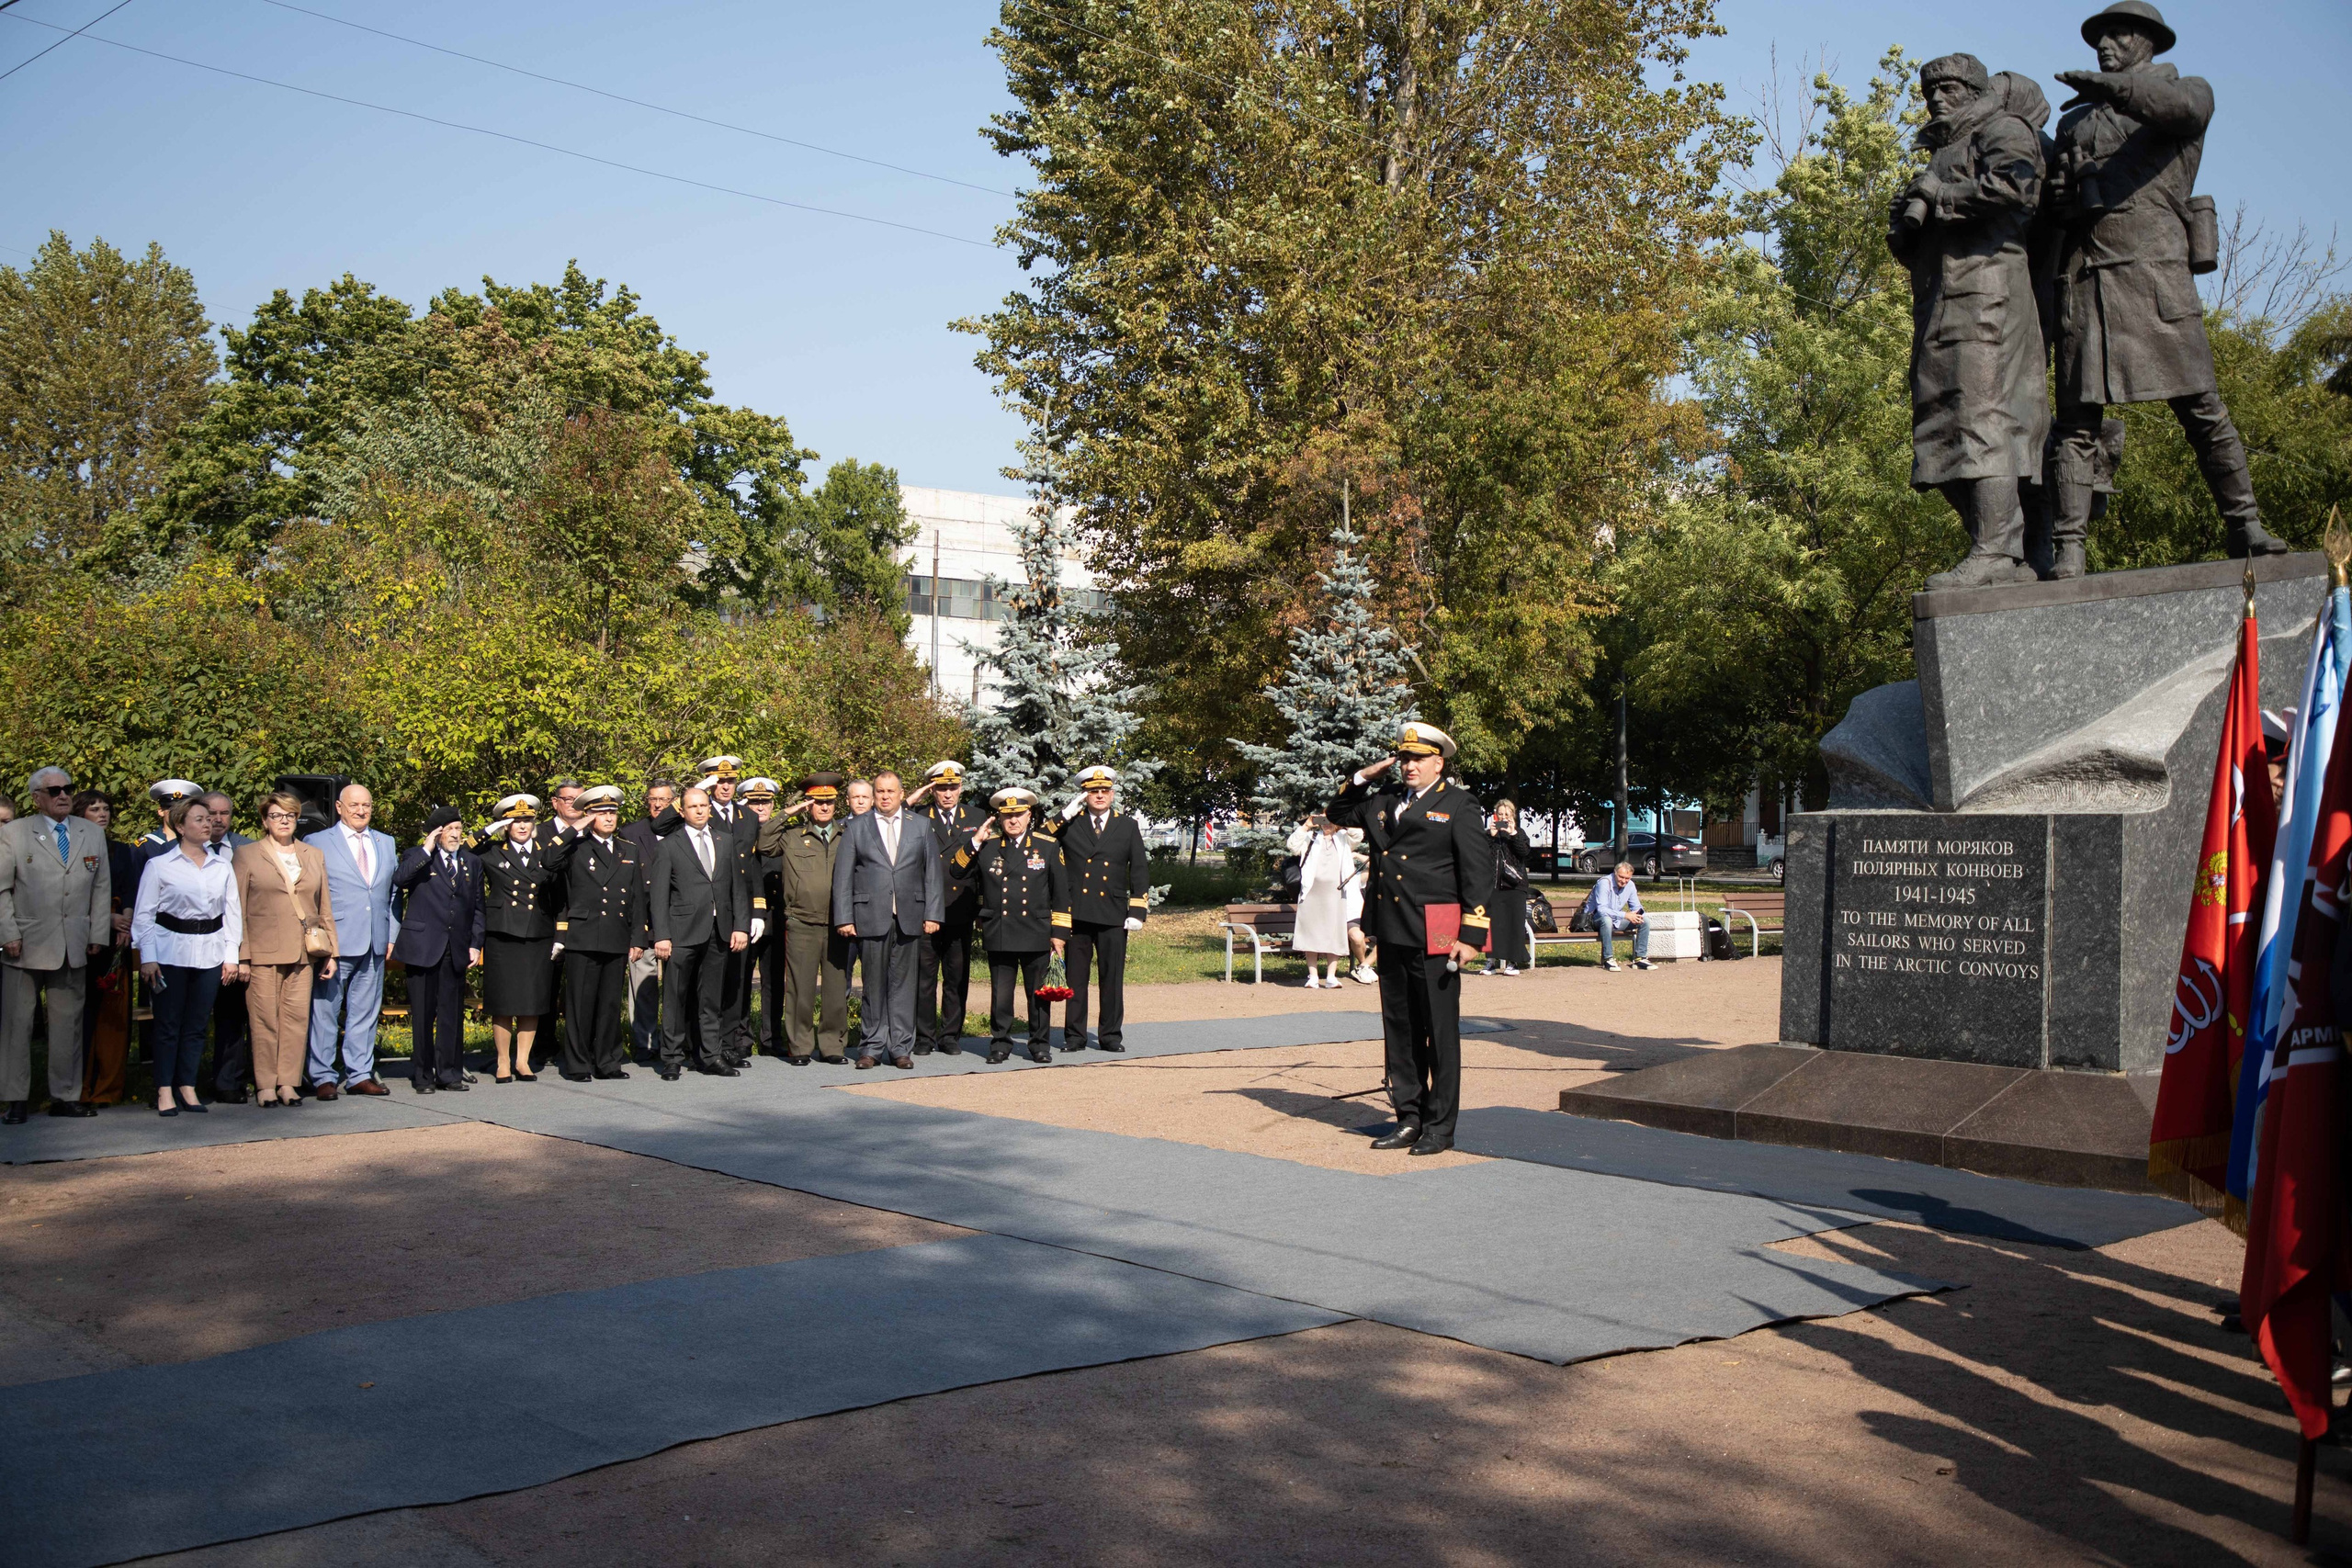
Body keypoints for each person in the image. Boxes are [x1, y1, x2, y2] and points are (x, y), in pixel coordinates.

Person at [2044, 2, 2289, 571]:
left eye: (2118, 34)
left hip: (2155, 280)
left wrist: (2115, 88)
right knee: (2076, 424)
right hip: (2089, 283)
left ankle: (2245, 524)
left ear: (2149, 42)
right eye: (2099, 36)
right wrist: (2061, 195)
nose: (2105, 44)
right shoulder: (2075, 122)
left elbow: (2175, 109)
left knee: (2204, 410)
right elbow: (2058, 210)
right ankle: (2069, 549)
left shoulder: (2188, 92)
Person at [1885, 53, 2052, 590]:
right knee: (1941, 427)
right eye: (1930, 91)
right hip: (1941, 300)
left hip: (1988, 295)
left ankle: (1995, 552)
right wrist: (1907, 225)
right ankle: (2009, 549)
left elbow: (2018, 189)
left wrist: (1943, 197)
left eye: (1949, 88)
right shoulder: (1946, 149)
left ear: (1975, 89)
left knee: (1985, 420)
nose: (1936, 98)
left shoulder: (2001, 129)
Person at [1327, 721, 1495, 1157]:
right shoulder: (1383, 800)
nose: (1408, 766)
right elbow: (1337, 813)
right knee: (1399, 1029)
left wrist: (1473, 934)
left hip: (1438, 930)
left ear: (1439, 762)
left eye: (1417, 758)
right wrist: (1366, 774)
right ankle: (1409, 1117)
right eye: (1403, 758)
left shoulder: (1459, 804)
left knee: (1439, 1032)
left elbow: (1476, 873)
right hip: (1393, 928)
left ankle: (1440, 1126)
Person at [0, 767, 110, 1122]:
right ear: (36, 798)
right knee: (17, 1024)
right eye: (54, 790)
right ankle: (14, 1098)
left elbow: (101, 887)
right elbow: (2, 889)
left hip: (73, 943)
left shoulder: (90, 833)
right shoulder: (14, 834)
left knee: (68, 1025)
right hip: (25, 941)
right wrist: (8, 934)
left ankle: (65, 1095)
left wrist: (97, 934)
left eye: (68, 789)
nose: (63, 795)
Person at [132, 796, 242, 1118]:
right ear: (180, 826)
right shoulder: (160, 865)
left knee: (196, 1025)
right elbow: (144, 916)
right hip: (170, 951)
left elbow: (232, 913)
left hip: (209, 951)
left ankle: (187, 1086)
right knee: (168, 1024)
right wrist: (148, 957)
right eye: (199, 819)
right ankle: (164, 1089)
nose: (208, 823)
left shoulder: (222, 865)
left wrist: (231, 956)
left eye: (209, 819)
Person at [948, 787, 1069, 1064]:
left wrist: (1059, 934)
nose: (1013, 821)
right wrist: (975, 841)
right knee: (1000, 994)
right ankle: (1000, 1043)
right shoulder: (988, 846)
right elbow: (956, 870)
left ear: (1029, 816)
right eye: (1007, 816)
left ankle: (1039, 1044)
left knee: (1038, 994)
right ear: (1000, 819)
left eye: (1018, 815)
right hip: (1000, 929)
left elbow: (1061, 893)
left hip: (1036, 930)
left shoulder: (1047, 846)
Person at [832, 769, 942, 1069]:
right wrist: (844, 917)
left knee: (904, 987)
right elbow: (843, 877)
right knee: (873, 986)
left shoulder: (920, 826)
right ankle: (871, 1046)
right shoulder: (857, 827)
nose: (884, 796)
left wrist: (933, 913)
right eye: (879, 791)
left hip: (909, 916)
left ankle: (900, 1047)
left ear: (901, 793)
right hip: (869, 916)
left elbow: (932, 873)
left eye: (890, 791)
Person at [232, 791, 336, 1110]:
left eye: (289, 815)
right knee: (264, 1021)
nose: (283, 821)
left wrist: (332, 950)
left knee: (296, 1019)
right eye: (276, 816)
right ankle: (265, 1084)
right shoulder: (247, 855)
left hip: (304, 952)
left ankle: (288, 1083)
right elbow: (236, 908)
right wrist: (243, 956)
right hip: (263, 953)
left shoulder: (313, 854)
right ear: (265, 820)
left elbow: (324, 905)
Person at [543, 784, 647, 1082]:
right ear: (589, 816)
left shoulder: (629, 849)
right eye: (601, 812)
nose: (609, 817)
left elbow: (637, 898)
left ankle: (608, 1062)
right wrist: (575, 829)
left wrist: (638, 937)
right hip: (584, 936)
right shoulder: (576, 847)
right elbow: (548, 861)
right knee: (580, 1004)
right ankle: (577, 1064)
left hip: (615, 936)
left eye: (612, 812)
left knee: (609, 1004)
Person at [646, 785, 751, 1079]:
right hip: (680, 932)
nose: (701, 811)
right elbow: (659, 895)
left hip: (719, 930)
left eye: (704, 805)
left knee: (711, 999)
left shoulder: (725, 840)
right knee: (676, 997)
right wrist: (662, 935)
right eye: (693, 807)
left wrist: (740, 926)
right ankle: (672, 1057)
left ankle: (711, 1055)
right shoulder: (669, 844)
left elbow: (737, 889)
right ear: (683, 810)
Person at [304, 783, 399, 1100]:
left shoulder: (386, 843)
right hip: (335, 943)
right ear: (339, 808)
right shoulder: (317, 842)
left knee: (365, 1012)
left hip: (375, 939)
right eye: (354, 805)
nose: (361, 811)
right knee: (325, 1011)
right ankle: (322, 1076)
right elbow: (311, 895)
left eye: (367, 805)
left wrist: (392, 935)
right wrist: (320, 938)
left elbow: (393, 893)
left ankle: (358, 1073)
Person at [1047, 765, 1150, 1051]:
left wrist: (1137, 911)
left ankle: (1110, 1036)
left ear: (1113, 794)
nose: (1100, 795)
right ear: (1084, 795)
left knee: (1111, 978)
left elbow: (1139, 869)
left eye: (1105, 791)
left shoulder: (1126, 825)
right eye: (1093, 791)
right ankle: (1075, 1036)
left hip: (1113, 914)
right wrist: (1065, 814)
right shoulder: (1072, 823)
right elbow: (1041, 839)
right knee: (1076, 979)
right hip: (1078, 912)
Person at [390, 807, 485, 1094]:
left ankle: (449, 1074)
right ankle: (423, 1076)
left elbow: (478, 907)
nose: (456, 834)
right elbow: (399, 879)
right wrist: (425, 848)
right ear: (436, 833)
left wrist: (475, 943)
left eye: (458, 828)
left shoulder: (471, 862)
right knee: (422, 1013)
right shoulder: (416, 857)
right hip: (423, 947)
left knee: (451, 1014)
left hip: (456, 948)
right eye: (449, 829)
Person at [761, 773, 852, 1065]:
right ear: (808, 805)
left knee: (836, 990)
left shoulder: (847, 836)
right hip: (801, 922)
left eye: (829, 802)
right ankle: (799, 1046)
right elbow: (763, 843)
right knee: (800, 988)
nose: (824, 807)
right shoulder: (791, 836)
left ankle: (833, 1046)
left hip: (838, 923)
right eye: (818, 802)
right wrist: (788, 811)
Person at [478, 794, 561, 1082]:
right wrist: (489, 828)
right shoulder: (491, 851)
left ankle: (523, 1061)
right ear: (506, 824)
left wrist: (560, 934)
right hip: (503, 933)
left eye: (527, 820)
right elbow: (464, 849)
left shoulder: (546, 850)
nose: (522, 826)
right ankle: (503, 1061)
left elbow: (560, 892)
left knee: (531, 1000)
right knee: (503, 1001)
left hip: (537, 932)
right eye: (515, 821)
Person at [909, 761, 986, 1056]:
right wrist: (911, 798)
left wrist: (979, 907)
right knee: (924, 978)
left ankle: (950, 1035)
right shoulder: (917, 816)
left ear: (961, 788)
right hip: (926, 909)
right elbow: (887, 816)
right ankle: (924, 1037)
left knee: (956, 976)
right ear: (933, 790)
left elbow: (981, 867)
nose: (948, 793)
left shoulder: (976, 816)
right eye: (941, 787)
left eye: (953, 787)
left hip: (959, 908)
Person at [73, 790, 143, 1103]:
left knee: (116, 1016)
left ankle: (108, 1089)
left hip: (118, 942)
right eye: (94, 809)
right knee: (84, 1015)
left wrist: (125, 921)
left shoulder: (122, 851)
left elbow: (130, 890)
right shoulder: (72, 849)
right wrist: (107, 919)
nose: (103, 814)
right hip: (84, 940)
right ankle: (80, 1088)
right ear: (80, 814)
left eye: (106, 808)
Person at [199, 792, 257, 1102]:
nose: (218, 819)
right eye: (211, 813)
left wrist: (241, 952)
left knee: (232, 1018)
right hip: (193, 947)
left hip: (236, 947)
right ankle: (182, 1083)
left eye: (225, 813)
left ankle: (228, 1082)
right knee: (191, 1021)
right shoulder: (179, 851)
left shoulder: (247, 848)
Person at [618, 781, 679, 1063]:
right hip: (643, 923)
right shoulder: (630, 833)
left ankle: (676, 1042)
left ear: (674, 803)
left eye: (664, 801)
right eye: (653, 800)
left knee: (677, 987)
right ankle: (644, 1043)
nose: (657, 805)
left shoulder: (683, 831)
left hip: (677, 922)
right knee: (642, 987)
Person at [733, 777, 782, 1059]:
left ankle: (771, 1037)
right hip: (745, 917)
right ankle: (740, 1037)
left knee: (773, 981)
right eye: (754, 802)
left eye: (765, 802)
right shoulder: (739, 832)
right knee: (740, 978)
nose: (760, 807)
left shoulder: (784, 832)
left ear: (773, 804)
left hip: (776, 916)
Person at [1286, 812, 1363, 989]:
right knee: (1310, 933)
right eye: (1323, 821)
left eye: (1330, 821)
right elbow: (1292, 846)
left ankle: (1331, 976)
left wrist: (1342, 821)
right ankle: (1313, 977)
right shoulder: (1311, 837)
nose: (1326, 824)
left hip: (1335, 894)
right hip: (1311, 893)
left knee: (1333, 933)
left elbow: (1358, 835)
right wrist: (1307, 825)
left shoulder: (1344, 838)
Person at [1486, 800, 1533, 976]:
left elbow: (1525, 853)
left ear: (1512, 816)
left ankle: (1513, 963)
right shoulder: (1490, 835)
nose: (1504, 818)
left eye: (1507, 815)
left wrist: (1513, 834)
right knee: (1493, 925)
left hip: (1515, 886)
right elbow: (1481, 855)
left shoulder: (1519, 833)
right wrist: (1491, 836)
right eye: (1501, 814)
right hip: (1494, 886)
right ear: (1495, 816)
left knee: (1514, 924)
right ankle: (1490, 961)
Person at [1584, 860, 1653, 972]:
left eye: (1627, 878)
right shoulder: (1604, 883)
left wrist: (1639, 914)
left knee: (1644, 921)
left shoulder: (1630, 885)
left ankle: (1640, 958)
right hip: (1594, 920)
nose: (1624, 881)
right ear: (1615, 873)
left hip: (1616, 920)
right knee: (1607, 920)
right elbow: (1602, 910)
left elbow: (1636, 906)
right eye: (1621, 877)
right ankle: (1608, 959)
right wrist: (1625, 915)